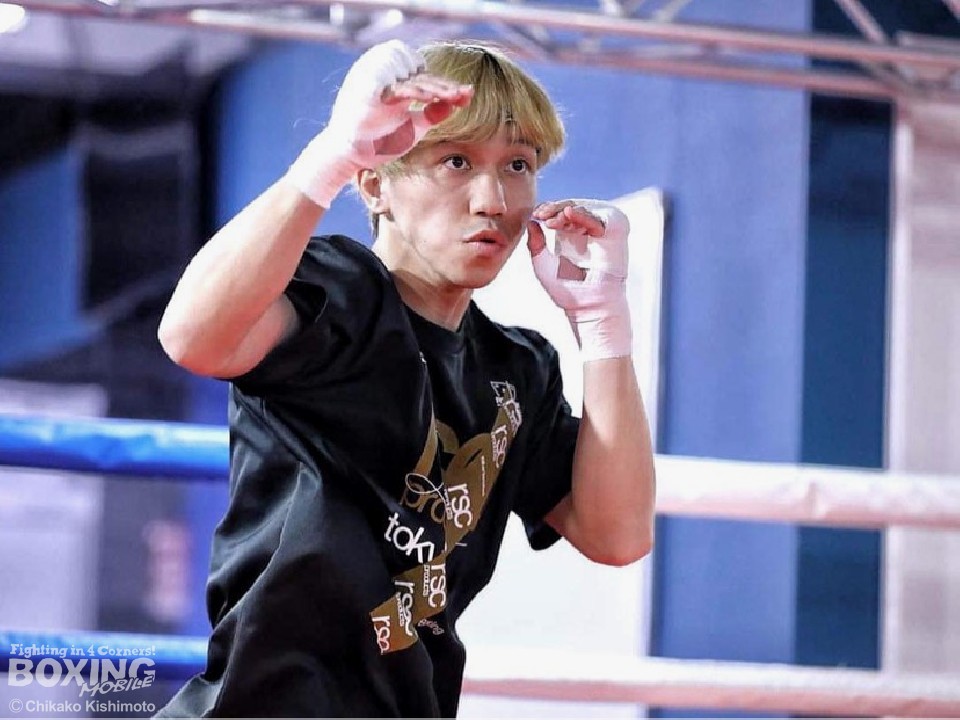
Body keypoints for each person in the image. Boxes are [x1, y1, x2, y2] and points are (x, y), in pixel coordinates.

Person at [155, 38, 655, 718]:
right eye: (456, 161)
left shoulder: (515, 368)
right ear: (375, 185)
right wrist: (333, 155)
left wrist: (603, 325)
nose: (493, 200)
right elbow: (190, 337)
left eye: (518, 165)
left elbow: (617, 535)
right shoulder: (338, 294)